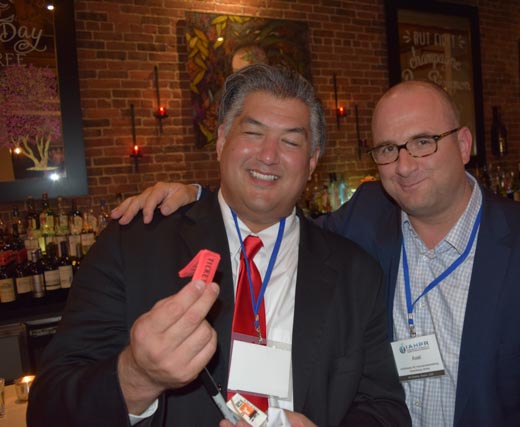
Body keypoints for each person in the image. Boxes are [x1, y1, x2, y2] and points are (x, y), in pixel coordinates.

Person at [113, 80, 520, 426]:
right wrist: (201, 196)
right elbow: (276, 222)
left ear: (463, 144)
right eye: (388, 149)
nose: (405, 164)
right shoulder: (367, 215)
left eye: (423, 142)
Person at [27, 64, 410, 427]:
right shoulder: (133, 244)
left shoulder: (356, 274)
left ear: (311, 163)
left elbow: (384, 410)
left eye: (291, 141)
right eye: (253, 133)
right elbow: (49, 408)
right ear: (222, 140)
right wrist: (136, 376)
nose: (269, 155)